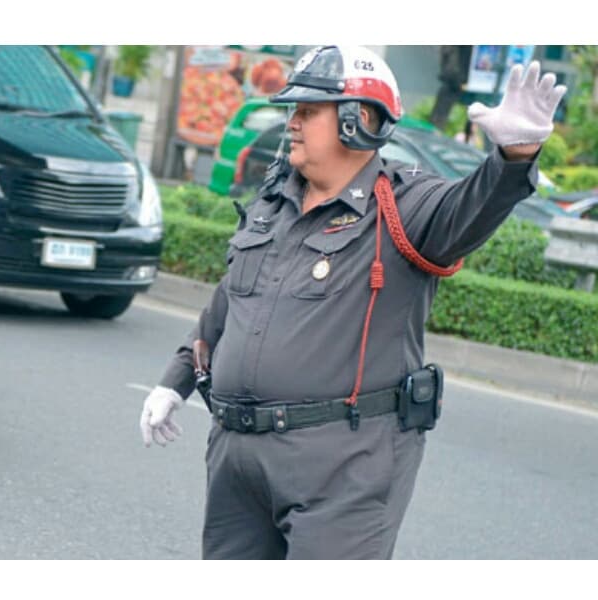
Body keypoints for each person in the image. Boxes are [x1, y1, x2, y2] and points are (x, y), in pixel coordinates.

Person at [139, 45, 566, 560]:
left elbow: (467, 210)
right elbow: (230, 303)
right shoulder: (273, 204)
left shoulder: (405, 206)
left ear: (358, 119)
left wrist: (511, 160)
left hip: (343, 464)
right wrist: (176, 378)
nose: (292, 123)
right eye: (293, 110)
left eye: (308, 111)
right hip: (237, 456)